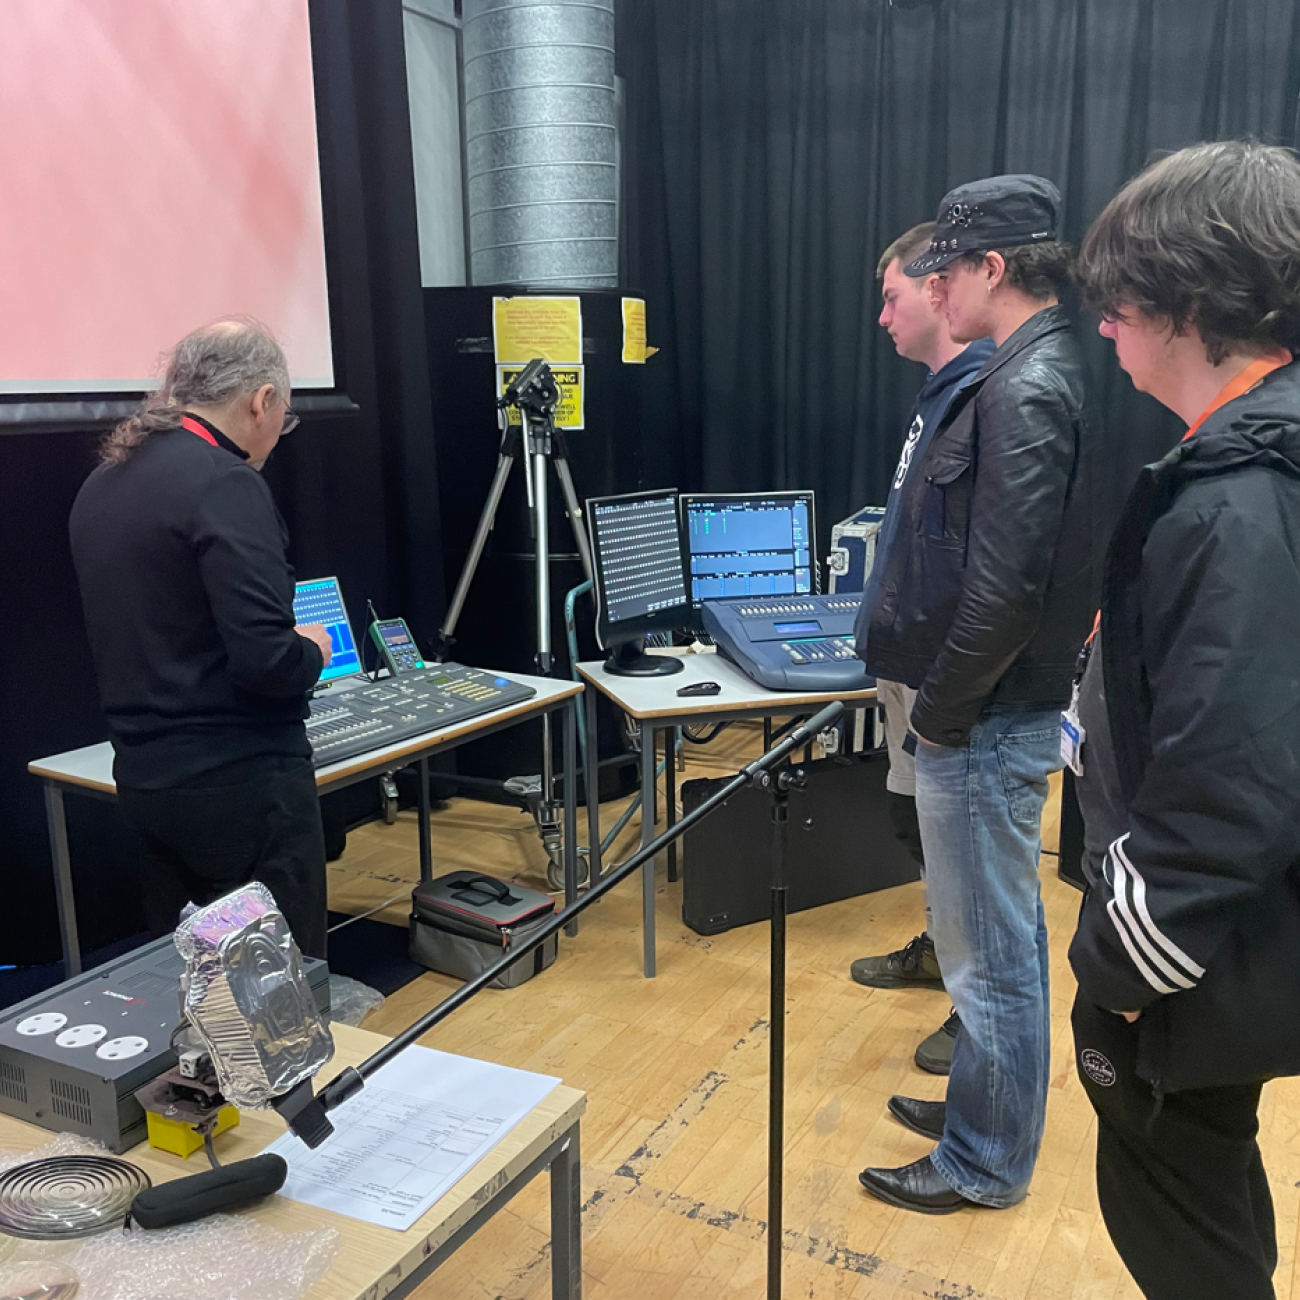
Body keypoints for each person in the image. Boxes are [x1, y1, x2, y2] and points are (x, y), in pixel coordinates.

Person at [1069, 140, 1300, 1300]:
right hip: (1236, 947)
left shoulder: (1240, 504)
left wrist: (1116, 965)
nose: (1105, 326)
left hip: (1191, 960)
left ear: (1193, 300)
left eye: (1120, 301)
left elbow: (1230, 792)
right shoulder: (1253, 466)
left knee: (1182, 1220)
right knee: (1210, 1186)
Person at [856, 175, 1098, 1213]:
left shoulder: (1024, 385)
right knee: (988, 945)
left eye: (945, 271)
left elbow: (1004, 589)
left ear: (991, 269)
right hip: (983, 713)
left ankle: (982, 1160)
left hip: (987, 720)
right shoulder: (1018, 373)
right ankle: (977, 1107)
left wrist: (944, 714)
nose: (932, 288)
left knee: (991, 955)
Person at [69, 318, 332, 957]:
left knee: (192, 988)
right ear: (262, 400)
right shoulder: (225, 483)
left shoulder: (102, 483)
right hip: (243, 788)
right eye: (284, 415)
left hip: (145, 781)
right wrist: (314, 649)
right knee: (281, 1003)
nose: (279, 432)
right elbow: (268, 662)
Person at [851, 223, 994, 1080]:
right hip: (907, 670)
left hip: (947, 682)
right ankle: (941, 951)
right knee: (917, 828)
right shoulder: (936, 396)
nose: (881, 317)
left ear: (939, 292)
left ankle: (972, 1009)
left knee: (970, 858)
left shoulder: (987, 395)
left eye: (892, 297)